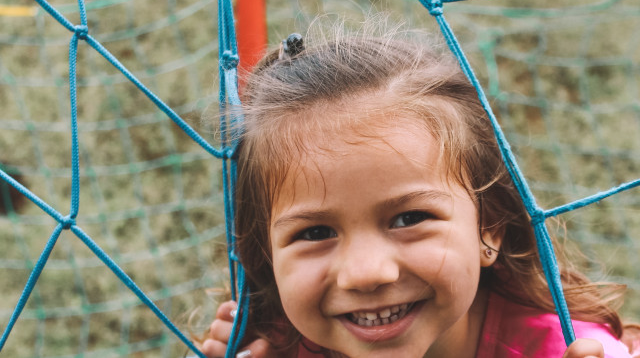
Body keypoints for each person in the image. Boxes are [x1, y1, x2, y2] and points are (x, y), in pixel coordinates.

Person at [196, 21, 637, 358]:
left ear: (491, 228)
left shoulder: (565, 350)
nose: (367, 273)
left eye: (409, 219)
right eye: (314, 233)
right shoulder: (280, 345)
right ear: (266, 256)